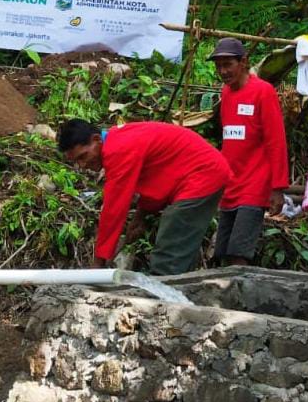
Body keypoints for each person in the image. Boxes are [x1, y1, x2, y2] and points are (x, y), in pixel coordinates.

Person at [58, 119, 231, 275]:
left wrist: (97, 265)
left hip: (204, 175)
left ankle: (162, 302)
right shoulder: (118, 140)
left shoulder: (117, 150)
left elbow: (113, 210)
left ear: (97, 140)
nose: (82, 165)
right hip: (201, 173)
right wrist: (141, 216)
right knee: (179, 251)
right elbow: (155, 178)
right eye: (76, 162)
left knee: (170, 246)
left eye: (83, 156)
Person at [208, 38, 289, 266]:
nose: (223, 71)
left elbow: (276, 141)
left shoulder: (263, 92)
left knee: (239, 252)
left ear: (243, 62)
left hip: (255, 184)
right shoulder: (226, 93)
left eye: (228, 65)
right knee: (221, 251)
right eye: (219, 66)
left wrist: (277, 188)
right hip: (231, 183)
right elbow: (228, 139)